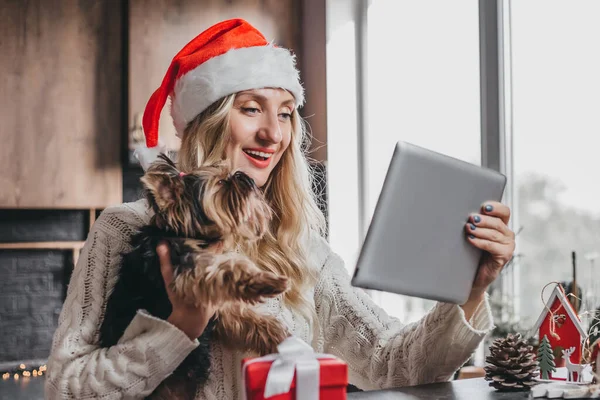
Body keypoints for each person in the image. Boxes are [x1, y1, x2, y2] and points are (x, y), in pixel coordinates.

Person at [45, 18, 516, 399]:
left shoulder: (302, 249)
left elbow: (395, 363)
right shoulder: (126, 227)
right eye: (251, 109)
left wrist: (469, 289)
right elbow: (65, 389)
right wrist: (182, 326)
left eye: (286, 112)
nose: (274, 133)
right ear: (206, 122)